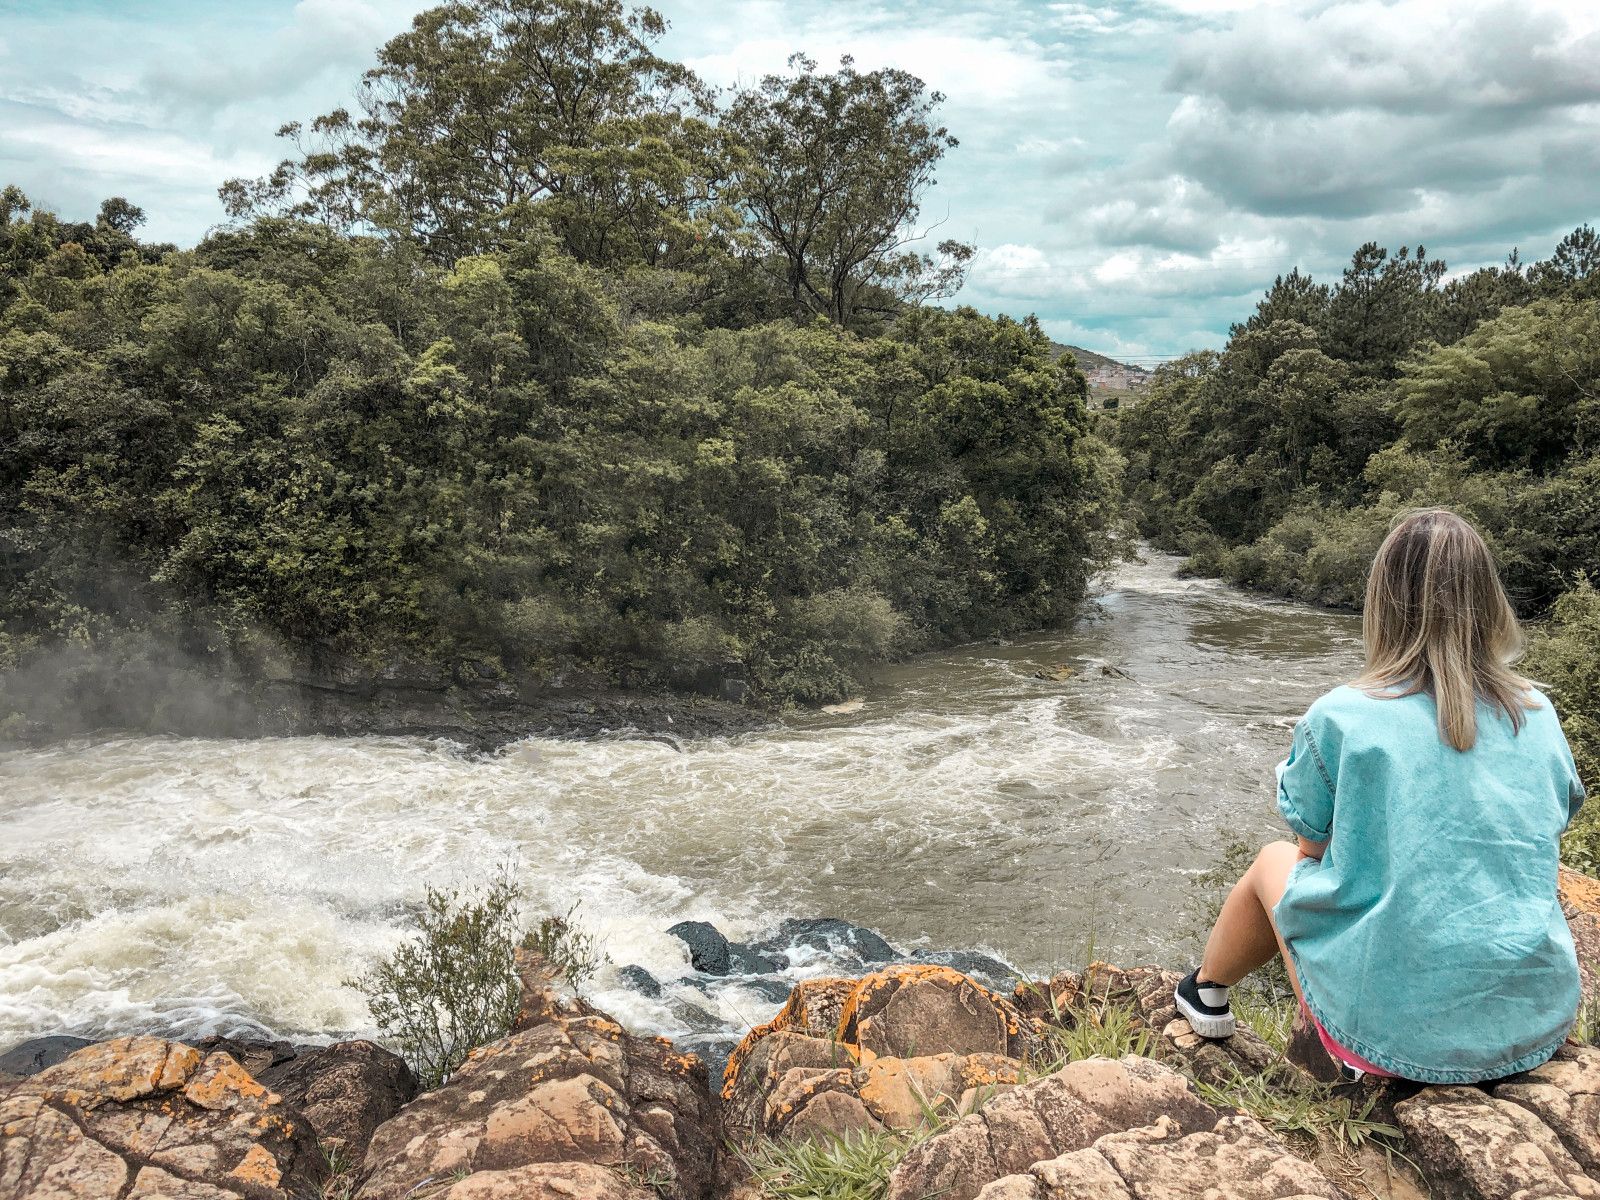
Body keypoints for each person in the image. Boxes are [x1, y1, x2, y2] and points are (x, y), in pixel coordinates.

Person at [1174, 508, 1588, 1083]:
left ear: (1382, 602)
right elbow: (1549, 821)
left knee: (1274, 860)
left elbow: (1311, 851)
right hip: (1533, 1023)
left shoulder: (1341, 716)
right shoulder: (1538, 715)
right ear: (1490, 602)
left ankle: (1206, 991)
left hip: (1389, 1038)